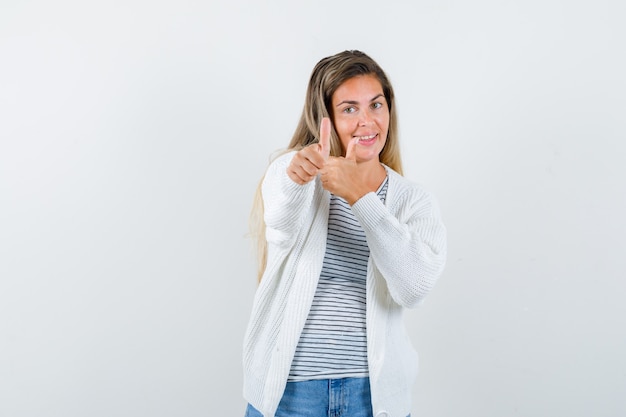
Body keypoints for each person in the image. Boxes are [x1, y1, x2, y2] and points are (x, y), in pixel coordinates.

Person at [242, 50, 447, 417]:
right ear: (327, 118)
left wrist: (360, 197)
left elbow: (413, 288)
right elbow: (281, 226)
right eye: (349, 108)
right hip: (290, 393)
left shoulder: (414, 201)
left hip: (372, 398)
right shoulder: (291, 172)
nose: (367, 122)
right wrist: (296, 178)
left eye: (376, 105)